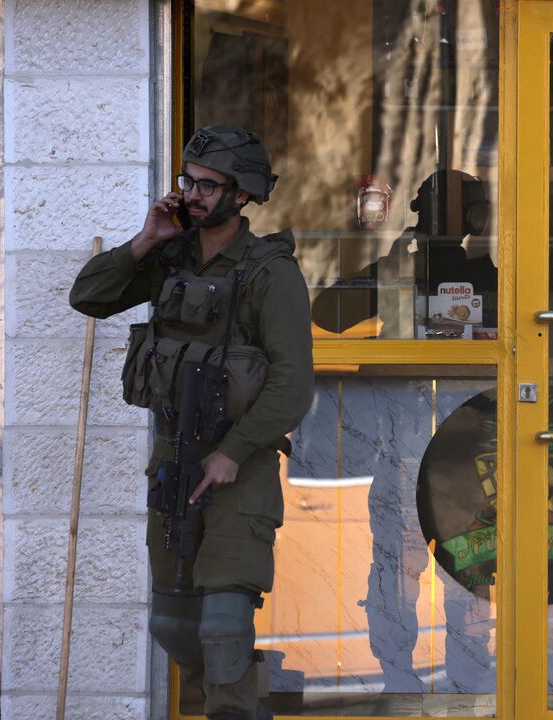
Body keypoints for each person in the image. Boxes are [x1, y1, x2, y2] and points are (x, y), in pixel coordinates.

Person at [69, 125, 315, 720]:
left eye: (208, 184)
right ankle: (245, 698)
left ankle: (232, 702)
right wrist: (146, 238)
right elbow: (89, 297)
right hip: (173, 461)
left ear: (243, 194)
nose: (193, 194)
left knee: (225, 624)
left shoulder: (268, 272)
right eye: (189, 181)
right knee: (174, 624)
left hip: (238, 467)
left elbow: (292, 383)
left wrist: (233, 450)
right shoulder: (169, 256)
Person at [310, 169, 496, 339]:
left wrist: (389, 269)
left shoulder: (399, 271)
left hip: (397, 372)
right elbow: (326, 314)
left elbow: (326, 315)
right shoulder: (485, 278)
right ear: (472, 217)